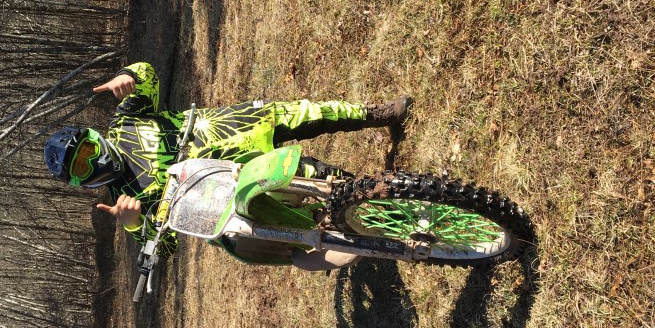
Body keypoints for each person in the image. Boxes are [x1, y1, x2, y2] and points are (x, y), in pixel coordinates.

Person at [44, 62, 412, 269]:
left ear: (93, 136)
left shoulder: (125, 122)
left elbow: (149, 77)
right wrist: (134, 223)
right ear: (81, 182)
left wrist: (131, 76)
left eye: (87, 149)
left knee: (306, 113)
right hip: (232, 183)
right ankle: (382, 208)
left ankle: (376, 114)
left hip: (232, 127)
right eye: (83, 166)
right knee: (316, 178)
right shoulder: (126, 200)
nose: (93, 159)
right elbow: (162, 247)